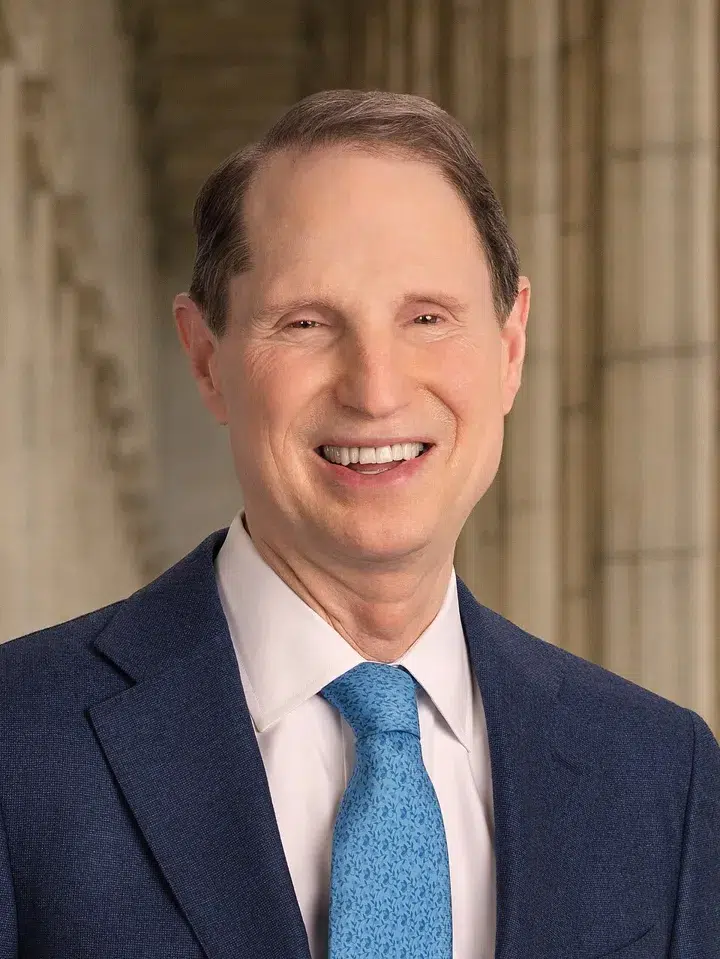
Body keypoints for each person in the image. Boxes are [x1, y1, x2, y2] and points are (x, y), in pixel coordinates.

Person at [0, 89, 718, 959]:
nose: (375, 388)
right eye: (305, 322)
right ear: (205, 359)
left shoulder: (659, 772)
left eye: (427, 318)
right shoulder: (21, 742)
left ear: (511, 347)